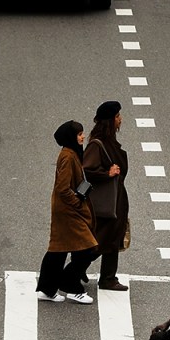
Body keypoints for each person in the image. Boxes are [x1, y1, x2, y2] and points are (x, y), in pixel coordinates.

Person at [35, 120, 97, 305]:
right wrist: (77, 201)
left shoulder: (69, 153)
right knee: (87, 247)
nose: (83, 137)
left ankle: (47, 289)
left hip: (64, 210)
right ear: (71, 137)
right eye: (79, 134)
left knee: (58, 250)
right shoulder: (69, 157)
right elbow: (63, 188)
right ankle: (71, 286)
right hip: (68, 211)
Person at [82, 100, 129, 291]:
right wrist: (107, 174)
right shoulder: (97, 144)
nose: (120, 119)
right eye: (117, 116)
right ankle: (73, 271)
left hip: (115, 200)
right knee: (101, 240)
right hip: (105, 204)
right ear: (110, 121)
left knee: (113, 238)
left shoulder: (109, 142)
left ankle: (108, 277)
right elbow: (87, 170)